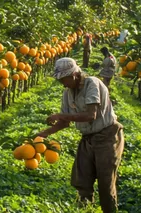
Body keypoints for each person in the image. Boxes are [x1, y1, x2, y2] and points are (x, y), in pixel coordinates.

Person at [38, 57, 124, 213]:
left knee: (105, 182)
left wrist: (61, 116)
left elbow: (91, 115)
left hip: (107, 135)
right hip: (88, 138)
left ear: (74, 75)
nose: (62, 83)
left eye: (64, 79)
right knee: (82, 178)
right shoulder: (67, 93)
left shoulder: (92, 83)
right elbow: (65, 122)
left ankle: (110, 210)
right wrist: (43, 134)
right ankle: (84, 209)